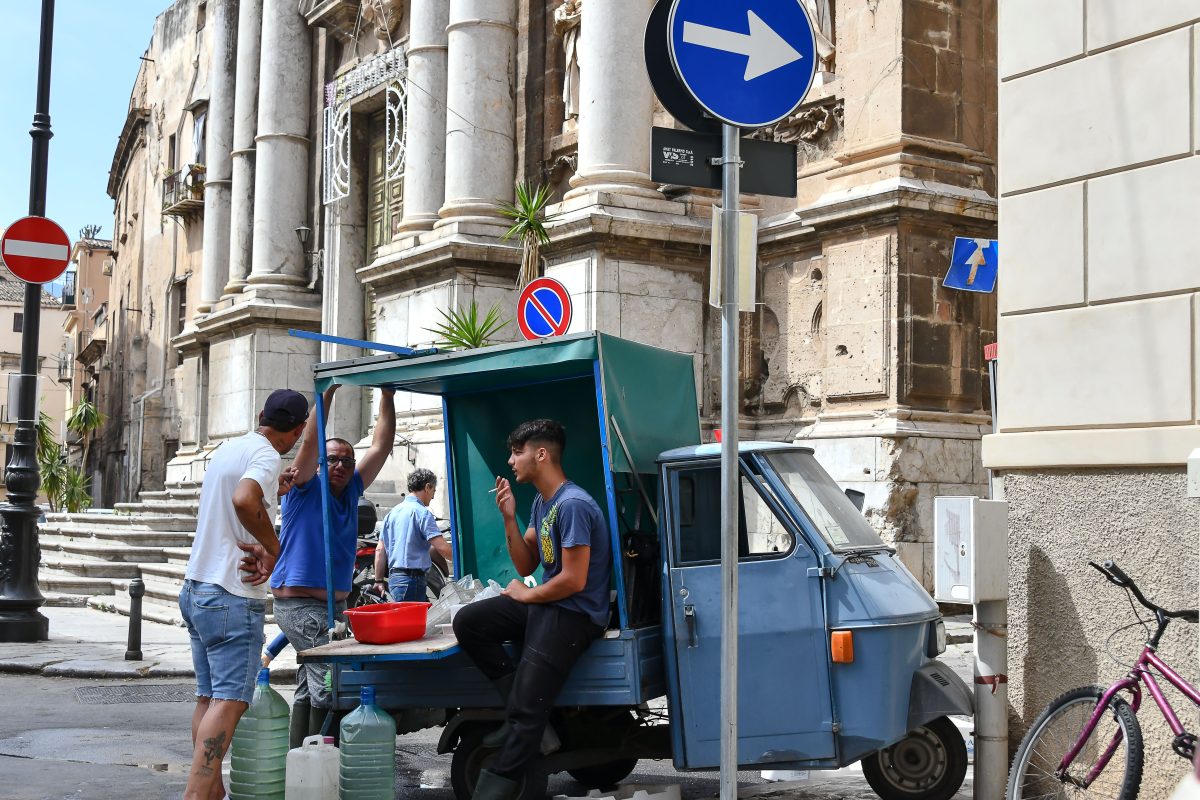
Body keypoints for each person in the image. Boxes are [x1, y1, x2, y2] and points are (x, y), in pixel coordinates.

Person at [452, 419, 611, 800]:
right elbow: (525, 566)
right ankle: (526, 717)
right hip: (549, 603)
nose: (510, 461)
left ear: (541, 454)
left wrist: (524, 596)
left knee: (527, 711)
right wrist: (508, 516)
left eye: (516, 452)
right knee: (470, 622)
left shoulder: (572, 505)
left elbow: (573, 580)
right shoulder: (543, 502)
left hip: (573, 614)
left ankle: (498, 777)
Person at [178, 388, 308, 800]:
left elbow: (242, 494)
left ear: (261, 415)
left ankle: (211, 792)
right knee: (231, 702)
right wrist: (275, 547)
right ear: (299, 431)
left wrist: (275, 490)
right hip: (230, 597)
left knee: (209, 698)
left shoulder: (231, 448)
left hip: (197, 586)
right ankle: (197, 794)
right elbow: (243, 499)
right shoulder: (268, 455)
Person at [271, 384, 396, 747]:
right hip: (300, 606)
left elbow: (382, 447)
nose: (339, 466)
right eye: (332, 460)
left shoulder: (352, 489)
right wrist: (325, 393)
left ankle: (300, 761)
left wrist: (386, 396)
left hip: (333, 606)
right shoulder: (305, 485)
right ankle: (321, 760)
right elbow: (310, 444)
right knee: (332, 682)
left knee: (311, 686)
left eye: (346, 460)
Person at [375, 468, 453, 602]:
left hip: (395, 580)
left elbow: (380, 550)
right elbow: (441, 547)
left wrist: (379, 580)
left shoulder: (392, 513)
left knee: (406, 621)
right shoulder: (422, 513)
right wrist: (462, 561)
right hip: (412, 580)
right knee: (413, 622)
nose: (433, 496)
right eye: (433, 491)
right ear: (427, 487)